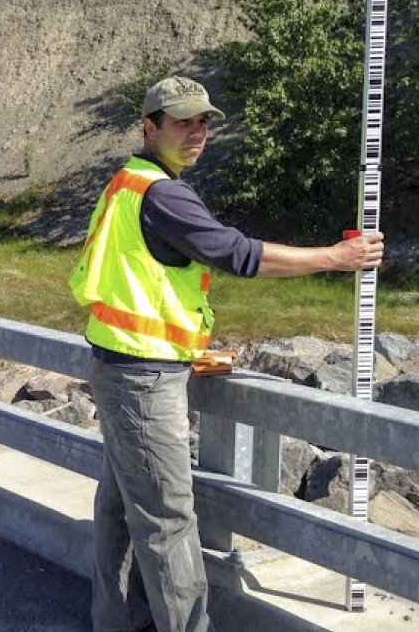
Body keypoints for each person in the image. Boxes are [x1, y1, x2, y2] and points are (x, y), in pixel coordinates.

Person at [69, 76, 384, 632]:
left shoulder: (130, 180)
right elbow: (238, 255)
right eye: (183, 122)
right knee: (167, 521)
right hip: (143, 376)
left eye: (204, 122)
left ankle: (118, 622)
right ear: (150, 127)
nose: (197, 133)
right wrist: (335, 258)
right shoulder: (162, 193)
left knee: (123, 509)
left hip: (123, 362)